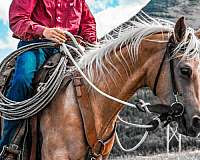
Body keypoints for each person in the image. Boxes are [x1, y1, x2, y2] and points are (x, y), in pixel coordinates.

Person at [0, 0, 97, 155]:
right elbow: (17, 19)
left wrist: (91, 47)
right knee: (22, 79)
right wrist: (43, 31)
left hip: (69, 48)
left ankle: (96, 143)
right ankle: (8, 144)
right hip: (35, 44)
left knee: (94, 82)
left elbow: (88, 24)